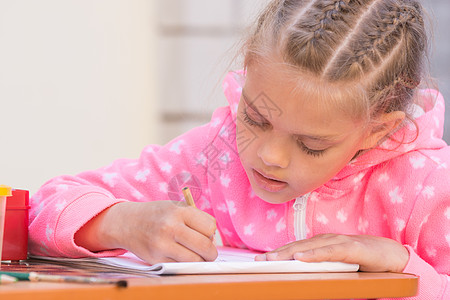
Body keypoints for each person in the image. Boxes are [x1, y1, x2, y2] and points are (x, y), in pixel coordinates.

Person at [30, 0, 449, 298]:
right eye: (256, 117)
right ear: (248, 71)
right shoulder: (213, 159)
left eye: (311, 145)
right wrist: (116, 222)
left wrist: (402, 264)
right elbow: (40, 208)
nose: (271, 156)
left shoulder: (426, 187)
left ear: (378, 131)